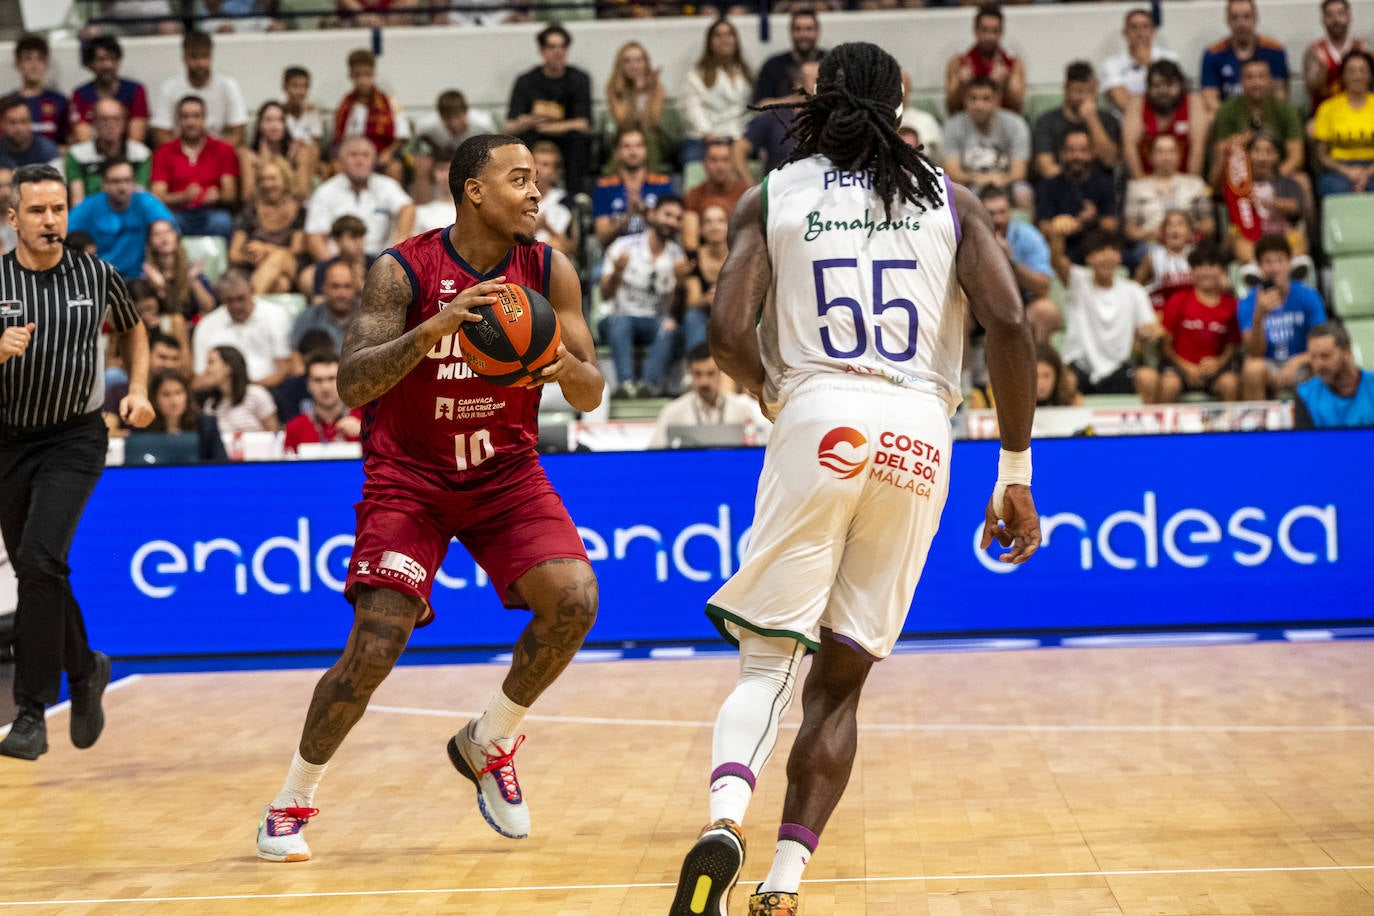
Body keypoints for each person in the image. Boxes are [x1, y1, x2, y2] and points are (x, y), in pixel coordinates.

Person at [668, 42, 1040, 916]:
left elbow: (726, 328)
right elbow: (1012, 323)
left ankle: (726, 820)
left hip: (819, 412)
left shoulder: (774, 196)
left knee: (768, 660)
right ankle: (785, 886)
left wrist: (769, 389)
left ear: (814, 104)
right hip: (918, 430)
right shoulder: (952, 199)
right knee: (840, 680)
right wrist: (1015, 468)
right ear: (902, 101)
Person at [254, 134, 604, 863]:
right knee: (375, 645)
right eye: (520, 179)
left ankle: (489, 741)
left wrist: (551, 358)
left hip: (505, 473)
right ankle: (291, 800)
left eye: (537, 180)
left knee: (574, 598)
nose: (536, 192)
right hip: (410, 478)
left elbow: (592, 390)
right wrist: (433, 330)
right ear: (474, 190)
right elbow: (353, 385)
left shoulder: (549, 269)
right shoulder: (402, 270)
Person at [0, 163, 154, 760]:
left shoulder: (96, 273)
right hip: (9, 442)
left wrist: (137, 390)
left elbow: (134, 331)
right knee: (38, 570)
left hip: (75, 439)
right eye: (37, 210)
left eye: (58, 209)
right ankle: (87, 667)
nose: (50, 220)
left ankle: (32, 712)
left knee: (39, 559)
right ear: (13, 218)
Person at [1048, 224, 1163, 398]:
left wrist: (1153, 331)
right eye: (1100, 251)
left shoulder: (1134, 291)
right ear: (1089, 258)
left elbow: (1149, 327)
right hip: (1080, 367)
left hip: (1119, 368)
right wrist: (1058, 234)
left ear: (1120, 257)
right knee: (1066, 381)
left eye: (1114, 251)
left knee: (1149, 378)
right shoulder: (1077, 281)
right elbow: (1057, 260)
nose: (1108, 256)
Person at [599, 194, 687, 398]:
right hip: (620, 317)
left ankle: (650, 386)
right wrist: (617, 274)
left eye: (677, 218)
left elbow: (676, 312)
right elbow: (604, 295)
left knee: (670, 326)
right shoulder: (623, 246)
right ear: (653, 214)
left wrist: (681, 286)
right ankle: (626, 384)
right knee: (621, 322)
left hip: (655, 321)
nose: (672, 222)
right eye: (667, 215)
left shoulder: (677, 256)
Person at [504, 24, 592, 194]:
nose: (557, 52)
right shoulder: (526, 81)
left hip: (565, 139)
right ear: (542, 51)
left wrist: (544, 125)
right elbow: (510, 125)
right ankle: (518, 191)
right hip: (533, 137)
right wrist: (529, 122)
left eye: (562, 47)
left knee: (578, 139)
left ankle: (575, 196)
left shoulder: (579, 79)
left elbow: (583, 123)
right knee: (516, 142)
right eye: (551, 47)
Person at [1238, 233, 1328, 399]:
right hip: (1268, 366)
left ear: (1289, 263)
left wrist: (1297, 362)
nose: (1274, 268)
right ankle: (1258, 423)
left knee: (1321, 364)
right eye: (1268, 262)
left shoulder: (1308, 295)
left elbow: (1321, 343)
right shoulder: (1248, 302)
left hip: (1301, 363)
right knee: (1251, 369)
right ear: (1259, 266)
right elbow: (1254, 353)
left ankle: (1318, 423)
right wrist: (1259, 316)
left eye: (1280, 260)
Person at [1154, 243, 1241, 404]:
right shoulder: (1178, 300)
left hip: (1216, 371)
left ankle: (1232, 428)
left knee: (1230, 383)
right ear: (1192, 271)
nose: (1206, 271)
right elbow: (1165, 345)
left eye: (1212, 265)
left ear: (1222, 271)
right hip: (1178, 368)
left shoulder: (1232, 305)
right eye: (1200, 266)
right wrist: (1186, 367)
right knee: (1168, 384)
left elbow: (1232, 345)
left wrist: (1219, 362)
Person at [304, 137, 413, 261]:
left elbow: (408, 209)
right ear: (340, 162)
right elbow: (314, 239)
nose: (360, 160)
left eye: (366, 155)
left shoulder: (387, 186)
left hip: (381, 263)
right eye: (353, 155)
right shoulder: (325, 192)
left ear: (374, 161)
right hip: (339, 261)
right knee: (308, 277)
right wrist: (334, 267)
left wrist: (400, 243)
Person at [149, 95, 240, 240]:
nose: (191, 122)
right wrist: (183, 197)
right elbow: (157, 195)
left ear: (204, 119)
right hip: (178, 213)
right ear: (178, 121)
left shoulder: (223, 150)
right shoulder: (163, 152)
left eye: (196, 116)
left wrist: (218, 196)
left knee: (223, 222)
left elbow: (231, 195)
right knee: (165, 224)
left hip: (211, 213)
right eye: (185, 117)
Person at [68, 157, 175, 279]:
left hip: (138, 277)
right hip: (100, 278)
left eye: (127, 180)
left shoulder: (146, 201)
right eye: (115, 181)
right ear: (104, 184)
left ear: (134, 182)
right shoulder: (90, 205)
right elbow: (65, 236)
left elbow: (169, 231)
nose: (122, 187)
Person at [1209, 59, 1305, 188]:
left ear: (1270, 80)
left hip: (1277, 173)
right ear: (1241, 81)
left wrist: (1271, 179)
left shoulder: (1287, 110)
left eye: (1261, 76)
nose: (1256, 83)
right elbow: (1220, 154)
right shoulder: (1226, 111)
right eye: (1250, 77)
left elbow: (1296, 157)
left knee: (1303, 182)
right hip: (1238, 174)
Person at [649, 344, 767, 449]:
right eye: (697, 374)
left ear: (721, 372)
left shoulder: (743, 408)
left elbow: (765, 444)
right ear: (690, 373)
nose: (704, 382)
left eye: (710, 374)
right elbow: (654, 455)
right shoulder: (673, 412)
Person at [192, 268, 293, 388]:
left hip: (269, 389)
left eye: (241, 298)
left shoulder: (276, 315)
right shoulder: (206, 325)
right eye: (229, 300)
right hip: (220, 394)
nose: (236, 306)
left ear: (252, 290)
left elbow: (283, 370)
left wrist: (246, 388)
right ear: (221, 296)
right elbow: (199, 376)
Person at [980, 186, 1057, 343]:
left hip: (1019, 307)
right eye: (991, 214)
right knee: (959, 306)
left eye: (1003, 212)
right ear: (979, 214)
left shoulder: (1028, 235)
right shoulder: (967, 236)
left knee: (1047, 310)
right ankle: (962, 368)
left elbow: (1044, 287)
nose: (998, 220)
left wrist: (1010, 261)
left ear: (1010, 211)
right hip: (978, 307)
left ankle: (1038, 364)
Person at [941, 76, 1031, 210]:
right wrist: (978, 179)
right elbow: (951, 172)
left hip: (1006, 183)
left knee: (1023, 194)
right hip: (970, 185)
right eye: (973, 98)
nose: (979, 105)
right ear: (965, 100)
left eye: (986, 99)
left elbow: (1019, 172)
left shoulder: (1015, 124)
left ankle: (1020, 231)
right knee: (955, 193)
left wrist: (999, 179)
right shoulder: (953, 125)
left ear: (997, 100)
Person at [1034, 127, 1119, 266]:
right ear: (1061, 154)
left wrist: (1092, 220)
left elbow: (1111, 225)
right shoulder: (1048, 185)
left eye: (1082, 151)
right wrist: (1076, 223)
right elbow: (1044, 227)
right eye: (1071, 151)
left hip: (1096, 249)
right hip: (1061, 249)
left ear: (1092, 153)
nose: (1076, 156)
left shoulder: (1104, 183)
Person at [150, 31, 248, 147]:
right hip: (180, 154)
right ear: (184, 58)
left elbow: (238, 133)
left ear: (211, 57)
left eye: (204, 56)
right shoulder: (169, 88)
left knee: (243, 154)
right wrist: (190, 156)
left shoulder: (228, 85)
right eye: (194, 57)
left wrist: (210, 156)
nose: (200, 63)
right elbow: (162, 135)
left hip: (218, 152)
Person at [1122, 134, 1214, 253]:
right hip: (1151, 244)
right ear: (1150, 156)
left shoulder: (1196, 184)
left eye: (1171, 151)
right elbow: (1130, 231)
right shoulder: (1136, 187)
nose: (1166, 156)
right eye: (1160, 151)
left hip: (1190, 243)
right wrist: (1153, 232)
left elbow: (1209, 225)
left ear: (1179, 156)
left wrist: (1184, 230)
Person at [679, 18, 754, 165]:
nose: (724, 39)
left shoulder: (747, 73)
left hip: (738, 135)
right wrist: (708, 133)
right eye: (718, 35)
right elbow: (691, 108)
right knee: (691, 159)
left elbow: (751, 109)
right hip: (705, 137)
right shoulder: (696, 75)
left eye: (729, 35)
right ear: (710, 42)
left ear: (736, 40)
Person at [331, 49, 410, 183]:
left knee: (395, 168)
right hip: (354, 154)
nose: (363, 80)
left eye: (368, 75)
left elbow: (401, 136)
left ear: (374, 75)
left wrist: (389, 152)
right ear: (351, 76)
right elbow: (340, 140)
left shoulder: (389, 102)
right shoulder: (345, 107)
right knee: (336, 167)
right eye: (358, 75)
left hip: (382, 154)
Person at [1031, 61, 1120, 180]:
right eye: (1079, 91)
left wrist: (1092, 119)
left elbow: (1110, 161)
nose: (1085, 97)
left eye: (1090, 91)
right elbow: (1046, 167)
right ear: (1066, 90)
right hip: (1059, 185)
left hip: (1099, 188)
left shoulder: (1108, 120)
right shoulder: (1046, 121)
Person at [229, 157, 305, 295]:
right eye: (263, 179)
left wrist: (267, 249)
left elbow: (297, 250)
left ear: (285, 180)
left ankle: (248, 303)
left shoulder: (300, 210)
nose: (267, 184)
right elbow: (234, 254)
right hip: (257, 269)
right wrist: (251, 257)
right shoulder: (250, 210)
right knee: (281, 284)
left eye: (272, 178)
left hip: (292, 266)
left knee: (281, 256)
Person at [1229, 132, 1307, 266]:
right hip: (1253, 238)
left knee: (1297, 233)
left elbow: (1296, 207)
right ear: (1248, 154)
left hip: (1281, 235)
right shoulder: (1239, 186)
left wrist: (1271, 202)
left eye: (1269, 152)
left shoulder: (1289, 184)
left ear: (1278, 156)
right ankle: (1253, 269)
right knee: (1238, 239)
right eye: (1256, 151)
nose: (1262, 157)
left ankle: (1295, 266)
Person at [1122, 60, 1208, 179]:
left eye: (1169, 85)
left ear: (1181, 85)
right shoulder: (1137, 103)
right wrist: (1141, 183)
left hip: (1184, 180)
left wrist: (1190, 184)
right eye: (1156, 86)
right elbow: (1129, 147)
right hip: (1146, 180)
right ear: (1148, 88)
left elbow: (1198, 147)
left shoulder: (1193, 101)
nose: (1163, 91)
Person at [1200, 0, 1290, 116]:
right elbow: (1210, 100)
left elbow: (1280, 96)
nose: (1241, 23)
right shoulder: (1213, 54)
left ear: (1255, 19)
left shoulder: (1275, 51)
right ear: (1227, 21)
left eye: (1246, 17)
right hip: (1229, 120)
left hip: (1267, 119)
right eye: (1235, 18)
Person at [410, 90, 497, 204]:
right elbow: (416, 145)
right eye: (448, 119)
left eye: (457, 117)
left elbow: (496, 149)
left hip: (472, 156)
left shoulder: (483, 124)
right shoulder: (426, 125)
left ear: (466, 113)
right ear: (440, 116)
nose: (453, 123)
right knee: (421, 164)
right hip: (441, 156)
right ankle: (424, 211)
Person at [592, 129, 675, 248]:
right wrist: (628, 215)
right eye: (627, 146)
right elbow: (602, 238)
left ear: (646, 151)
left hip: (655, 253)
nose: (633, 151)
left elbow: (671, 230)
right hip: (618, 255)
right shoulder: (604, 187)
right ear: (617, 152)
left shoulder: (662, 184)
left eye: (638, 145)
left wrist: (644, 211)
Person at [65, 99, 152, 205]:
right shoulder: (77, 155)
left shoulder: (141, 154)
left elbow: (140, 195)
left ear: (125, 123)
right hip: (90, 214)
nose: (111, 124)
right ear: (94, 123)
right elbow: (77, 200)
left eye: (116, 119)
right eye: (104, 119)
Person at [945, 4, 1026, 114]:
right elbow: (951, 110)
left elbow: (1018, 108)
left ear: (1001, 32)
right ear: (975, 31)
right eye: (984, 30)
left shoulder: (1014, 64)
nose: (989, 36)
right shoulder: (957, 63)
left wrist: (1006, 83)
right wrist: (961, 85)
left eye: (994, 31)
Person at [1313, 49, 1374, 196]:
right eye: (1351, 71)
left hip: (1372, 166)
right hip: (1338, 168)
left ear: (1370, 75)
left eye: (1362, 70)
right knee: (1335, 188)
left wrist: (1367, 173)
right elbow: (1321, 155)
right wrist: (1347, 171)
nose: (1357, 76)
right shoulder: (1328, 108)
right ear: (1343, 76)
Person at [70, 36, 150, 145]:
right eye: (101, 59)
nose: (107, 65)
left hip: (128, 156)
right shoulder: (80, 94)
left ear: (118, 61)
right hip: (92, 156)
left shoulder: (135, 90)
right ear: (91, 64)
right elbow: (83, 139)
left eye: (112, 58)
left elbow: (136, 138)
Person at [1294, 322, 1374, 428]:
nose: (1318, 364)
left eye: (1325, 356)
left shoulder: (1371, 386)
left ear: (1347, 352)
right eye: (1313, 357)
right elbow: (1307, 442)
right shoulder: (1305, 395)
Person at [605, 43, 669, 175]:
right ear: (620, 66)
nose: (634, 66)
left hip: (655, 137)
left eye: (639, 60)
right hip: (623, 135)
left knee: (648, 137)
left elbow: (653, 122)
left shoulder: (657, 87)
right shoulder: (613, 88)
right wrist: (635, 93)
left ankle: (651, 180)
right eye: (627, 61)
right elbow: (624, 123)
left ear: (646, 63)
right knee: (629, 142)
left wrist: (648, 91)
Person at [1102, 7, 1181, 113]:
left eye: (1145, 26)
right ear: (1125, 32)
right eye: (1134, 27)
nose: (1140, 32)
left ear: (1153, 31)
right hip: (1125, 123)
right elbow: (1123, 102)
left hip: (1164, 118)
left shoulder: (1171, 58)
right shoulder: (1111, 64)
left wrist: (1149, 64)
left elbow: (1173, 96)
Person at [282, 351, 361, 453]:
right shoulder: (295, 427)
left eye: (332, 378)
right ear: (308, 385)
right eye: (318, 380)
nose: (325, 387)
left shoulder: (365, 423)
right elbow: (288, 468)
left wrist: (365, 434)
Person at [143, 367, 228, 461]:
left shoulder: (206, 425)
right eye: (166, 394)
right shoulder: (145, 427)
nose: (174, 401)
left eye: (179, 393)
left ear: (187, 394)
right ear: (155, 399)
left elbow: (222, 464)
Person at [240, 102, 318, 201]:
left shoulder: (299, 151)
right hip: (259, 210)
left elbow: (302, 193)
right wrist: (263, 164)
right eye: (269, 120)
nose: (275, 126)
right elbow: (248, 196)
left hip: (293, 209)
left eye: (280, 120)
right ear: (259, 125)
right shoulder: (249, 155)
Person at [682, 137, 750, 251]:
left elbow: (751, 238)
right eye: (714, 160)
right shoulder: (694, 195)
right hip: (705, 260)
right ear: (704, 164)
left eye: (725, 160)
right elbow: (691, 245)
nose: (720, 166)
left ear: (732, 164)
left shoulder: (746, 194)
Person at [1303, 0, 1368, 116]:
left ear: (1349, 17)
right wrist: (1321, 69)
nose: (1336, 20)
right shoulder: (1314, 51)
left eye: (1340, 13)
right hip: (1324, 118)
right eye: (1330, 15)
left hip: (1359, 117)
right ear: (1323, 19)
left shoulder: (1363, 48)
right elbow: (1311, 89)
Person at [143, 218, 217, 318]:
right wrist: (161, 288)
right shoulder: (147, 276)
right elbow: (168, 313)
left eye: (167, 232)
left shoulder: (191, 269)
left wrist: (193, 280)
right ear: (150, 242)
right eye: (157, 234)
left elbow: (210, 307)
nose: (164, 238)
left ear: (176, 236)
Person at [201, 344, 280, 435]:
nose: (206, 369)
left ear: (228, 367)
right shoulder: (210, 406)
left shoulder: (256, 394)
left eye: (211, 362)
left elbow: (273, 435)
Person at [753, 10, 825, 107]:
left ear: (817, 31)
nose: (803, 34)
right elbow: (759, 106)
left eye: (809, 29)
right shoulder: (773, 65)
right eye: (798, 29)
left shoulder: (830, 62)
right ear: (790, 32)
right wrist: (795, 99)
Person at [683, 203, 728, 354]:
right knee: (692, 316)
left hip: (732, 311)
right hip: (703, 313)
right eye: (708, 222)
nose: (714, 226)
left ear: (729, 226)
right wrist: (707, 298)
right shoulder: (693, 258)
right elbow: (691, 300)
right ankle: (699, 365)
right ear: (701, 229)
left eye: (720, 221)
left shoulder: (740, 255)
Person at [12, 35, 70, 148]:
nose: (34, 65)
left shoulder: (60, 102)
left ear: (47, 64)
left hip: (52, 163)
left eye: (40, 59)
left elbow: (68, 142)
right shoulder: (6, 104)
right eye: (28, 58)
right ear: (17, 64)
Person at [1134, 209, 1197, 311]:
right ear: (1163, 232)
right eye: (1170, 225)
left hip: (1193, 310)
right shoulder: (1153, 256)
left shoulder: (1198, 253)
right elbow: (1135, 286)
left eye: (1180, 224)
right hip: (1163, 311)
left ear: (1190, 232)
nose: (1175, 228)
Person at [291, 260, 358, 354]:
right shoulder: (307, 318)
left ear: (355, 289)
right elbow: (296, 357)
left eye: (347, 287)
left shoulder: (369, 318)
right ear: (324, 288)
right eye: (335, 286)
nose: (342, 293)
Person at [531, 141, 575, 258]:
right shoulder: (516, 197)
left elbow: (572, 248)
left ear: (555, 173)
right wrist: (534, 228)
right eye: (535, 162)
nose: (537, 169)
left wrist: (546, 227)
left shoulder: (564, 200)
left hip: (554, 258)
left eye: (545, 165)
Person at [0, 97, 61, 171]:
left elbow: (56, 180)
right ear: (2, 123)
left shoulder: (47, 150)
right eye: (12, 122)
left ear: (30, 121)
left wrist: (12, 176)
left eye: (23, 121)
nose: (19, 128)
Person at [281, 66, 324, 149]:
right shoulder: (278, 113)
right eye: (295, 86)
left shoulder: (312, 113)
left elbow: (315, 143)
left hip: (307, 154)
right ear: (285, 88)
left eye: (305, 86)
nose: (300, 91)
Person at [1035, 342, 1082, 407]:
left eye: (1046, 375)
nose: (1041, 383)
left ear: (1057, 375)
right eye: (1036, 376)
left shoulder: (1071, 397)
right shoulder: (1019, 399)